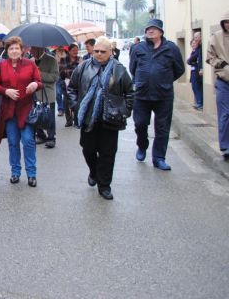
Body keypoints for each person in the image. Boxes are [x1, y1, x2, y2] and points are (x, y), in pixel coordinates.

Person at [67, 36, 134, 200]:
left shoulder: (119, 69)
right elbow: (71, 89)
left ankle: (104, 185)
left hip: (110, 118)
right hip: (88, 117)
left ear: (110, 52)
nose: (98, 54)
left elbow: (130, 93)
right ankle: (94, 171)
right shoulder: (83, 67)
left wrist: (123, 110)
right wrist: (76, 107)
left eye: (102, 52)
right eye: (96, 51)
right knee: (87, 149)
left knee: (107, 153)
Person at [129, 19, 185, 171]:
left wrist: (163, 80)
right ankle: (142, 145)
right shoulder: (138, 48)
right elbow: (132, 69)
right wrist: (144, 80)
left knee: (162, 128)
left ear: (161, 32)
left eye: (154, 29)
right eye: (148, 29)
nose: (150, 31)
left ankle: (159, 158)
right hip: (141, 94)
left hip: (163, 95)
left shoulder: (171, 48)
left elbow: (179, 69)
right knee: (140, 124)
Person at [0, 36, 43, 187]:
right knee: (13, 142)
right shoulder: (1, 66)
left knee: (28, 141)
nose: (14, 51)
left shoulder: (30, 64)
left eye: (17, 48)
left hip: (26, 109)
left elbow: (39, 82)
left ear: (22, 50)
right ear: (7, 51)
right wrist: (5, 91)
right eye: (11, 48)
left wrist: (34, 84)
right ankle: (15, 172)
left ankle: (31, 174)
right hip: (8, 111)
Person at [207, 13, 229, 161]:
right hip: (224, 81)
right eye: (225, 22)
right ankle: (226, 146)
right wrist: (222, 65)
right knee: (225, 114)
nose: (228, 24)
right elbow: (210, 57)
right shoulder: (216, 37)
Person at [30, 46, 59, 148]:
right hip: (35, 93)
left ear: (39, 49)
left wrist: (40, 73)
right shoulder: (30, 61)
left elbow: (55, 77)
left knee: (49, 116)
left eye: (32, 49)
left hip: (48, 93)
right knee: (36, 115)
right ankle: (41, 135)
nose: (30, 50)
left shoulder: (52, 60)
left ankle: (51, 138)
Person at [59, 44, 81, 127]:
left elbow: (82, 72)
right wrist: (64, 72)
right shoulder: (63, 59)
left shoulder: (80, 60)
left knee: (77, 101)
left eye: (76, 50)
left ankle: (77, 118)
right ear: (69, 51)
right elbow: (61, 73)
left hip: (78, 84)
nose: (75, 52)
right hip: (66, 84)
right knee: (66, 101)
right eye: (73, 50)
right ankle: (68, 120)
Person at [187, 31, 204, 110]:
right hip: (193, 72)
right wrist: (191, 60)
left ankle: (200, 103)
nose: (195, 40)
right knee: (194, 87)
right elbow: (189, 61)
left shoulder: (199, 48)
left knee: (197, 87)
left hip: (197, 72)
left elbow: (192, 59)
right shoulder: (194, 50)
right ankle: (198, 102)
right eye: (194, 38)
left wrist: (191, 60)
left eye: (196, 37)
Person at [54, 46, 67, 117]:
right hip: (57, 76)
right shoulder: (53, 53)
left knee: (66, 94)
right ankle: (60, 109)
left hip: (65, 76)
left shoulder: (67, 53)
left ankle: (66, 108)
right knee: (58, 93)